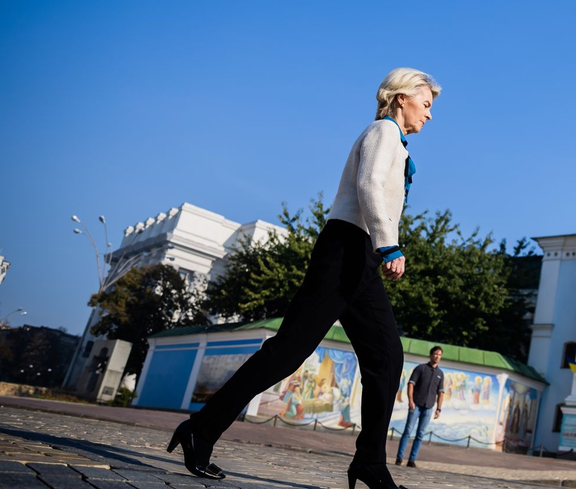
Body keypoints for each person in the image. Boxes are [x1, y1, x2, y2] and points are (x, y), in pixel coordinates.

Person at [166, 68, 439, 489]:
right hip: (346, 249)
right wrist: (389, 245)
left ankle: (369, 462)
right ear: (401, 97)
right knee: (287, 352)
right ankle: (200, 430)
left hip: (361, 256)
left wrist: (379, 248)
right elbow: (367, 186)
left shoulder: (393, 140)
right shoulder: (382, 131)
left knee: (386, 357)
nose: (430, 115)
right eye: (426, 104)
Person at [395, 346, 445, 467]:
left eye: (439, 355)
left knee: (420, 434)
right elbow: (411, 384)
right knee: (407, 431)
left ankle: (412, 460)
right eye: (435, 354)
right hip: (415, 405)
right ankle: (399, 458)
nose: (437, 356)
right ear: (430, 355)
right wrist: (410, 400)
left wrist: (438, 408)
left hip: (428, 408)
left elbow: (441, 392)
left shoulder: (440, 374)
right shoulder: (420, 368)